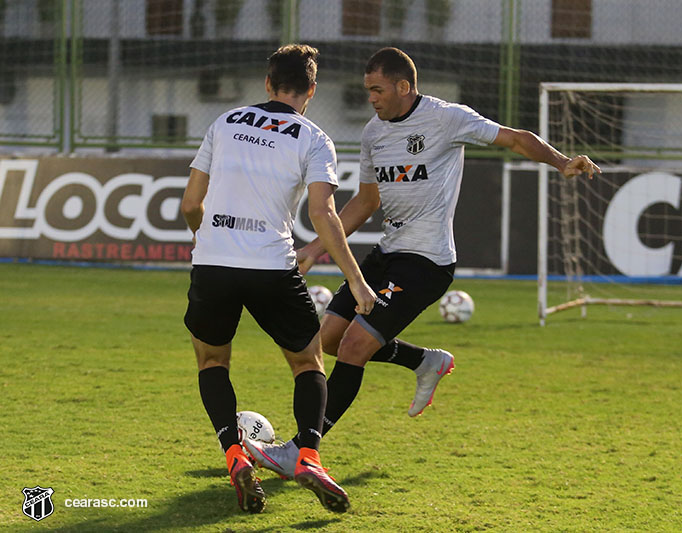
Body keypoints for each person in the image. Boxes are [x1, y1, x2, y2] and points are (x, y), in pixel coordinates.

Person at [245, 47, 600, 478]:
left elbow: (515, 137)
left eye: (377, 89)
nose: (371, 98)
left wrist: (562, 162)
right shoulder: (375, 132)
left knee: (355, 348)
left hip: (427, 261)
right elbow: (366, 201)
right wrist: (314, 249)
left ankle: (301, 450)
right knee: (329, 341)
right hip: (388, 253)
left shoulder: (446, 118)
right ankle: (424, 362)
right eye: (367, 90)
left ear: (403, 86)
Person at [180, 44, 376, 514]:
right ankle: (308, 455)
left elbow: (190, 205)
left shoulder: (224, 123)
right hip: (271, 266)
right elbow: (323, 213)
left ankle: (234, 454)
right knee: (308, 364)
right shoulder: (313, 138)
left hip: (213, 263)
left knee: (211, 362)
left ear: (267, 83)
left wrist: (207, 242)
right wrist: (355, 280)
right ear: (311, 90)